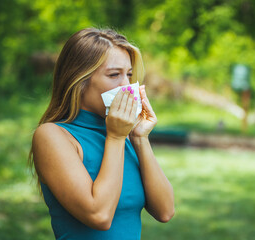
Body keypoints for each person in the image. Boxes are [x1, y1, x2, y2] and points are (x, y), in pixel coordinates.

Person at [28, 28, 175, 240]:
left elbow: (165, 211)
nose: (126, 85)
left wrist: (139, 138)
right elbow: (99, 215)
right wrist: (115, 138)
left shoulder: (124, 133)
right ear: (80, 81)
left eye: (129, 75)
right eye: (114, 75)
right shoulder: (53, 136)